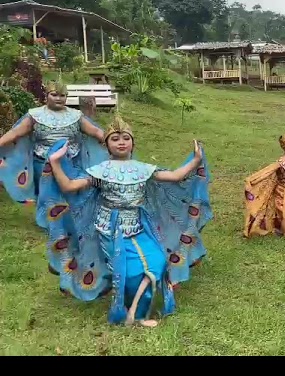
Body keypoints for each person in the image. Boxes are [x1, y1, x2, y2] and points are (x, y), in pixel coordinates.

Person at [41, 113, 213, 327]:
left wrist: (196, 160)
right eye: (115, 139)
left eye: (126, 138)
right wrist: (55, 162)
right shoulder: (100, 172)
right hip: (110, 227)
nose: (121, 143)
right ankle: (134, 315)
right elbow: (68, 187)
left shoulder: (143, 169)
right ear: (106, 145)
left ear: (133, 142)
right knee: (129, 272)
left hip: (140, 225)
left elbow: (176, 176)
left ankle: (133, 313)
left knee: (157, 262)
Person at [0, 79, 107, 219]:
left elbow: (95, 131)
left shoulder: (75, 116)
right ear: (46, 96)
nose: (58, 98)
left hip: (71, 160)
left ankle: (71, 220)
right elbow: (15, 133)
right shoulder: (35, 115)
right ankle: (49, 221)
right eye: (54, 94)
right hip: (43, 161)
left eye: (62, 95)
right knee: (46, 192)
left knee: (70, 191)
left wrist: (112, 140)